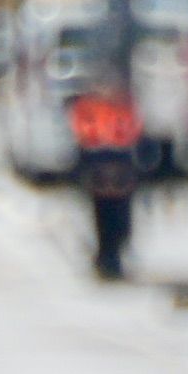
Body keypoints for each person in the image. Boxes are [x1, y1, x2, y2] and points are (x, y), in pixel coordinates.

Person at [68, 80, 141, 285]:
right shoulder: (89, 107)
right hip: (99, 166)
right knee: (103, 219)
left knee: (121, 219)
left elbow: (131, 131)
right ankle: (106, 258)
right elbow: (84, 132)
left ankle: (116, 254)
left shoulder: (124, 108)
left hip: (119, 168)